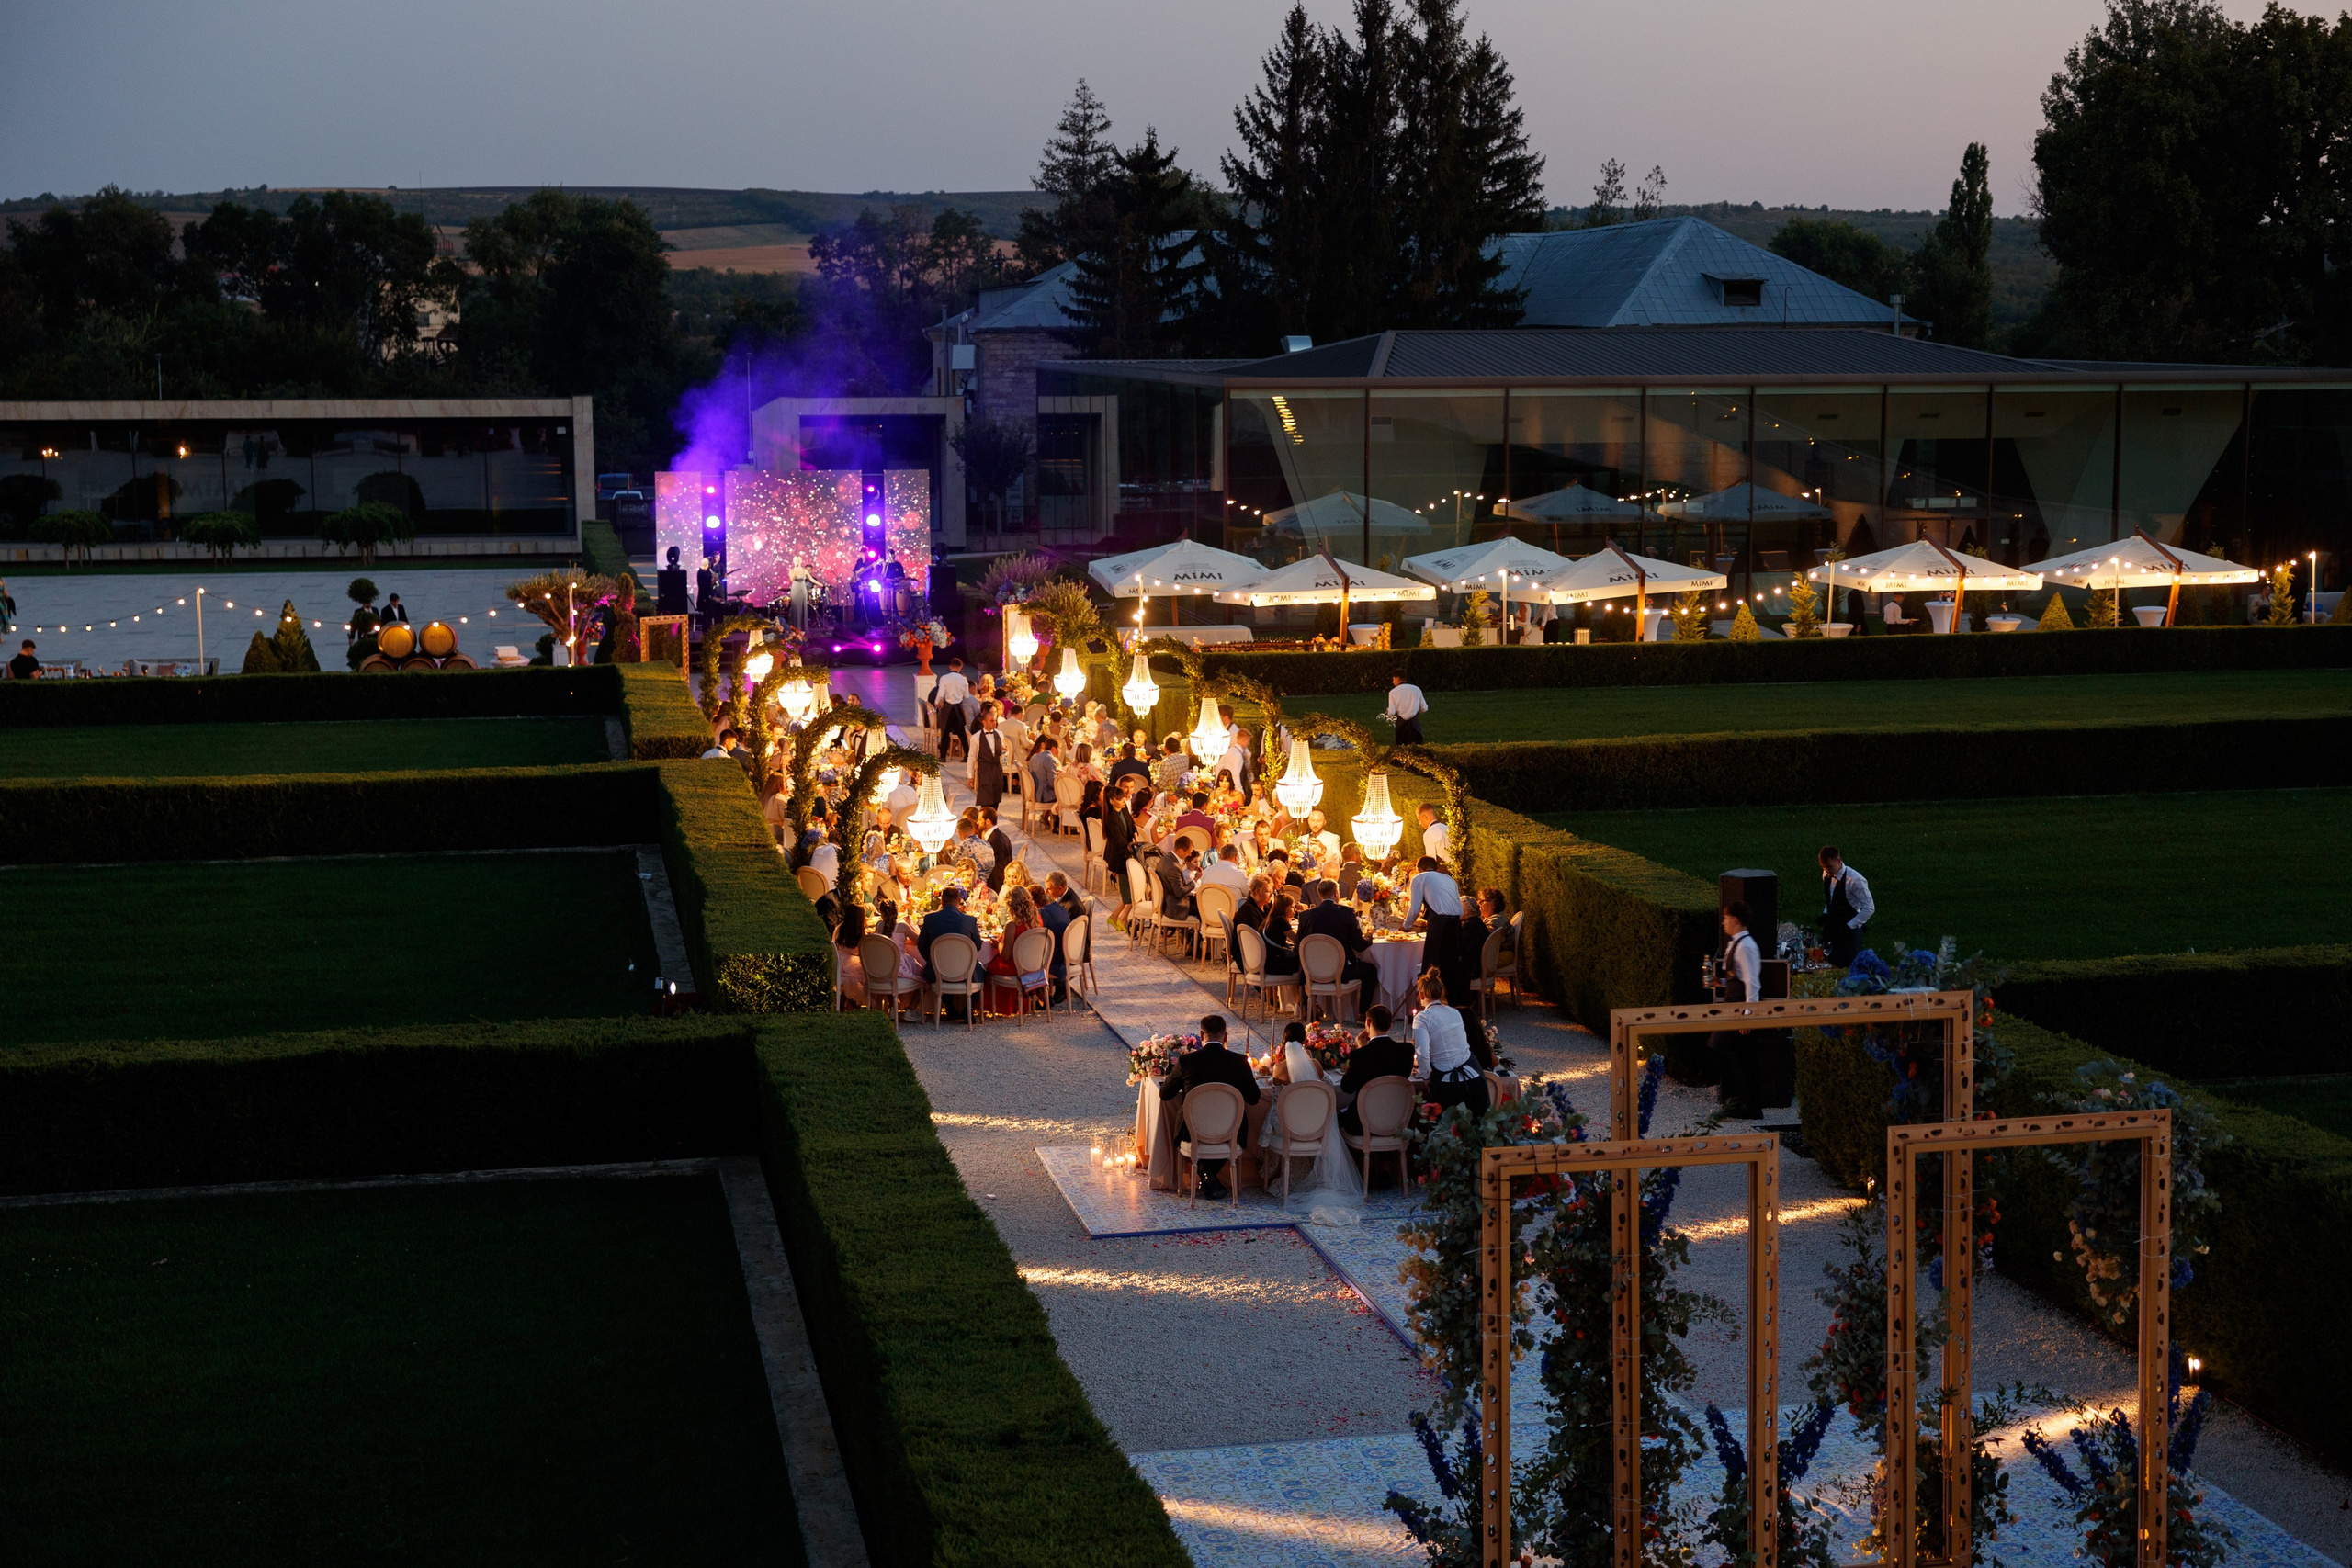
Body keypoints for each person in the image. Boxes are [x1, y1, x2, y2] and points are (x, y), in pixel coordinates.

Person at [1159, 1014, 1260, 1199]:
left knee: (1185, 1116)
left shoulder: (1186, 1061)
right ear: (1226, 1036)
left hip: (1192, 1130)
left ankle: (1206, 1174)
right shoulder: (1240, 1062)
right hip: (1231, 1130)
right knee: (1235, 1120)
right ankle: (1209, 1175)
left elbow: (1165, 1094)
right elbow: (1254, 1098)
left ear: (1200, 1034)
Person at [1706, 900, 1767, 1119]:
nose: (1723, 923)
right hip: (1732, 1007)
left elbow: (1752, 984)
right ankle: (1748, 1105)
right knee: (1743, 1058)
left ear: (1735, 920)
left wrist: (1748, 1017)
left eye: (1725, 918)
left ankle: (1743, 1103)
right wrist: (1720, 983)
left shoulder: (1747, 947)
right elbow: (1737, 979)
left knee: (1720, 1048)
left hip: (1739, 1011)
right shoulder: (1736, 944)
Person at [1411, 969, 1490, 1118]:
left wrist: (1427, 1078)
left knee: (1443, 1133)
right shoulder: (1454, 1013)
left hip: (1450, 1086)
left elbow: (1422, 1054)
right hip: (1475, 1080)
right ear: (1442, 993)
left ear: (1421, 995)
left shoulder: (1422, 1018)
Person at [1298, 877, 1380, 1005]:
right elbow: (1359, 945)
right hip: (1341, 971)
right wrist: (1369, 935)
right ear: (1336, 893)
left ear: (1319, 895)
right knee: (1371, 970)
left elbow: (1300, 945)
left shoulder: (1305, 916)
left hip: (1313, 970)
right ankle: (1362, 1014)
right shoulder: (1346, 912)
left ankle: (1307, 1007)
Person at [1339, 1004, 1417, 1133]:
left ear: (1368, 1022)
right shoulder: (1406, 1050)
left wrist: (1361, 1049)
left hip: (1363, 1124)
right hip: (1397, 1120)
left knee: (1334, 1118)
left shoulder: (1361, 1055)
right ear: (1390, 1026)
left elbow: (1346, 1088)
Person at [985, 886, 1045, 1014]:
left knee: (985, 965)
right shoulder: (1037, 920)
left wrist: (998, 945)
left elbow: (1006, 955)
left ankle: (998, 1006)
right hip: (1032, 965)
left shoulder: (1012, 925)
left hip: (1015, 967)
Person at [1818, 845, 1875, 969]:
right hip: (1832, 929)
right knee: (1827, 963)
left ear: (1839, 861)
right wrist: (1825, 913)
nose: (1826, 870)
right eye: (1823, 867)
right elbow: (1831, 897)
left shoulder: (1855, 880)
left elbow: (1869, 908)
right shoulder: (1827, 874)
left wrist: (1850, 926)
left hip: (1848, 934)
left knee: (1847, 967)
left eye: (1829, 867)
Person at [968, 702, 1008, 810]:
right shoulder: (976, 737)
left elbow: (1003, 754)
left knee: (996, 800)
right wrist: (970, 776)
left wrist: (1005, 754)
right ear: (984, 722)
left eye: (995, 720)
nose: (994, 723)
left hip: (997, 770)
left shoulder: (1000, 734)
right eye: (991, 721)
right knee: (985, 801)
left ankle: (993, 824)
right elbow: (971, 757)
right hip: (984, 770)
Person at [931, 658, 970, 760]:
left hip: (947, 708)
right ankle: (967, 755)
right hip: (958, 707)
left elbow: (941, 694)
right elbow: (966, 695)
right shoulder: (963, 679)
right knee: (961, 732)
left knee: (945, 732)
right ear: (960, 668)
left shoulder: (944, 678)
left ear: (950, 666)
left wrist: (936, 703)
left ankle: (943, 756)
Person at [981, 807, 1018, 894]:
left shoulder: (995, 841)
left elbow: (995, 868)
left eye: (979, 820)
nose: (977, 823)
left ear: (988, 822)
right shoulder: (1000, 835)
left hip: (997, 886)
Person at [1385, 670, 1428, 744]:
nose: (1393, 682)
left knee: (1401, 749)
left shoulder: (1393, 692)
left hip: (1401, 725)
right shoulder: (1416, 689)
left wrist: (1388, 713)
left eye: (1393, 679)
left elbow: (1391, 712)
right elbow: (1424, 708)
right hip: (1415, 724)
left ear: (1397, 679)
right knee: (1417, 748)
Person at [1026, 735, 1059, 807]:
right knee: (1065, 796)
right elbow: (1052, 783)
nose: (1059, 751)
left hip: (1033, 794)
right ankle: (1056, 818)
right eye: (1059, 748)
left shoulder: (1034, 756)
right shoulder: (1050, 759)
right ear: (1054, 749)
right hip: (1044, 796)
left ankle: (1046, 817)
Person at [1417, 803, 1451, 869]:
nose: (1420, 824)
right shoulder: (1447, 828)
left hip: (1443, 872)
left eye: (1419, 820)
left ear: (1424, 817)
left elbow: (1430, 861)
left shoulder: (1429, 834)